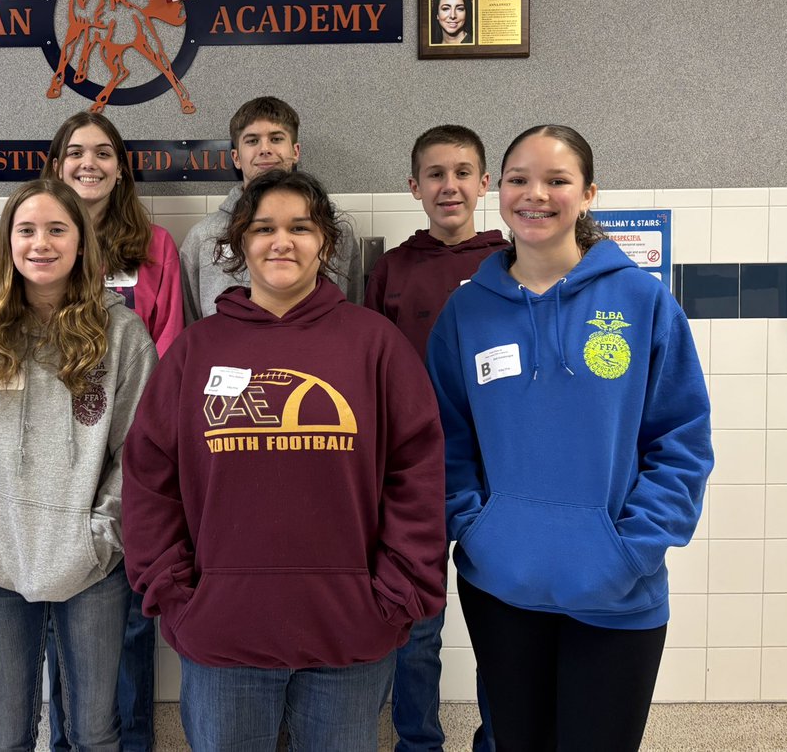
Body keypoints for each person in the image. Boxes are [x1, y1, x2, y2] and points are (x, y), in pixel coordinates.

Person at [123, 169, 447, 752]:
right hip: (223, 635)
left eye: (300, 227)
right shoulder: (197, 351)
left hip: (351, 634)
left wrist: (394, 596)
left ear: (324, 240)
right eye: (264, 228)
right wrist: (176, 595)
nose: (282, 241)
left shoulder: (373, 344)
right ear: (239, 243)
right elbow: (151, 481)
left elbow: (416, 476)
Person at [425, 125, 713, 752]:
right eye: (519, 179)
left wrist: (631, 550)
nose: (536, 194)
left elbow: (680, 440)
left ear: (587, 194)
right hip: (502, 583)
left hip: (617, 589)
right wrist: (475, 528)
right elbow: (446, 440)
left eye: (557, 180)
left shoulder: (642, 301)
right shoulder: (467, 311)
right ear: (497, 190)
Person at [0, 179, 158, 752]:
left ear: (82, 242)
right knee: (5, 736)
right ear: (8, 242)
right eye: (25, 230)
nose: (40, 243)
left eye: (57, 229)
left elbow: (140, 456)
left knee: (94, 732)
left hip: (93, 568)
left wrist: (98, 538)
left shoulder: (123, 336)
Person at [41, 111, 184, 752]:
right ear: (56, 163)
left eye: (103, 152)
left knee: (126, 622)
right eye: (75, 152)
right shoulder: (37, 243)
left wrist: (144, 461)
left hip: (131, 463)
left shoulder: (155, 249)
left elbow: (172, 353)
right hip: (52, 467)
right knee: (56, 617)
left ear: (121, 165)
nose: (88, 163)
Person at [367, 125, 507, 752]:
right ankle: (417, 742)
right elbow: (366, 372)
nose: (448, 186)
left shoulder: (511, 262)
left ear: (485, 183)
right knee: (418, 626)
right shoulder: (393, 268)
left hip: (498, 472)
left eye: (462, 172)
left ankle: (497, 739)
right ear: (414, 186)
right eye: (434, 175)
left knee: (501, 624)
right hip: (411, 474)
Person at [179, 96, 362, 323]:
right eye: (252, 141)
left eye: (276, 139)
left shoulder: (334, 230)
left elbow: (352, 311)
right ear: (236, 157)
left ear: (295, 151)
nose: (265, 149)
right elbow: (192, 323)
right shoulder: (203, 236)